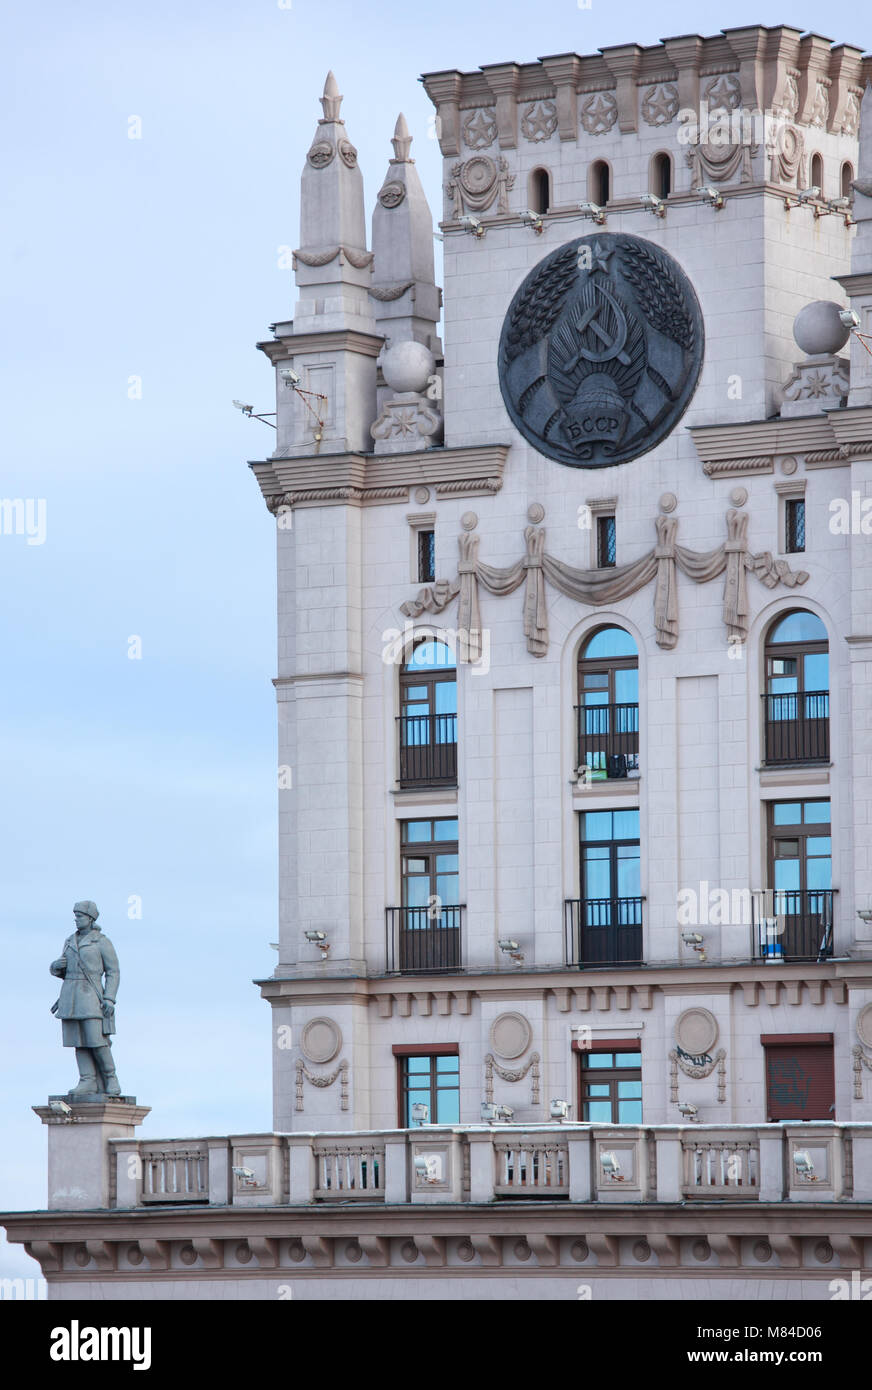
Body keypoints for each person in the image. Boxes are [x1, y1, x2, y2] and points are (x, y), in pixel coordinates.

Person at [50, 901, 121, 1097]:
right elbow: (62, 969)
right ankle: (87, 1079)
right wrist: (57, 966)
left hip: (91, 994)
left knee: (96, 1040)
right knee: (78, 1040)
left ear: (90, 918)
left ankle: (110, 1077)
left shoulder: (101, 941)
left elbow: (113, 972)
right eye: (75, 915)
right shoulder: (70, 941)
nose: (76, 919)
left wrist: (109, 998)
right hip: (70, 995)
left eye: (80, 916)